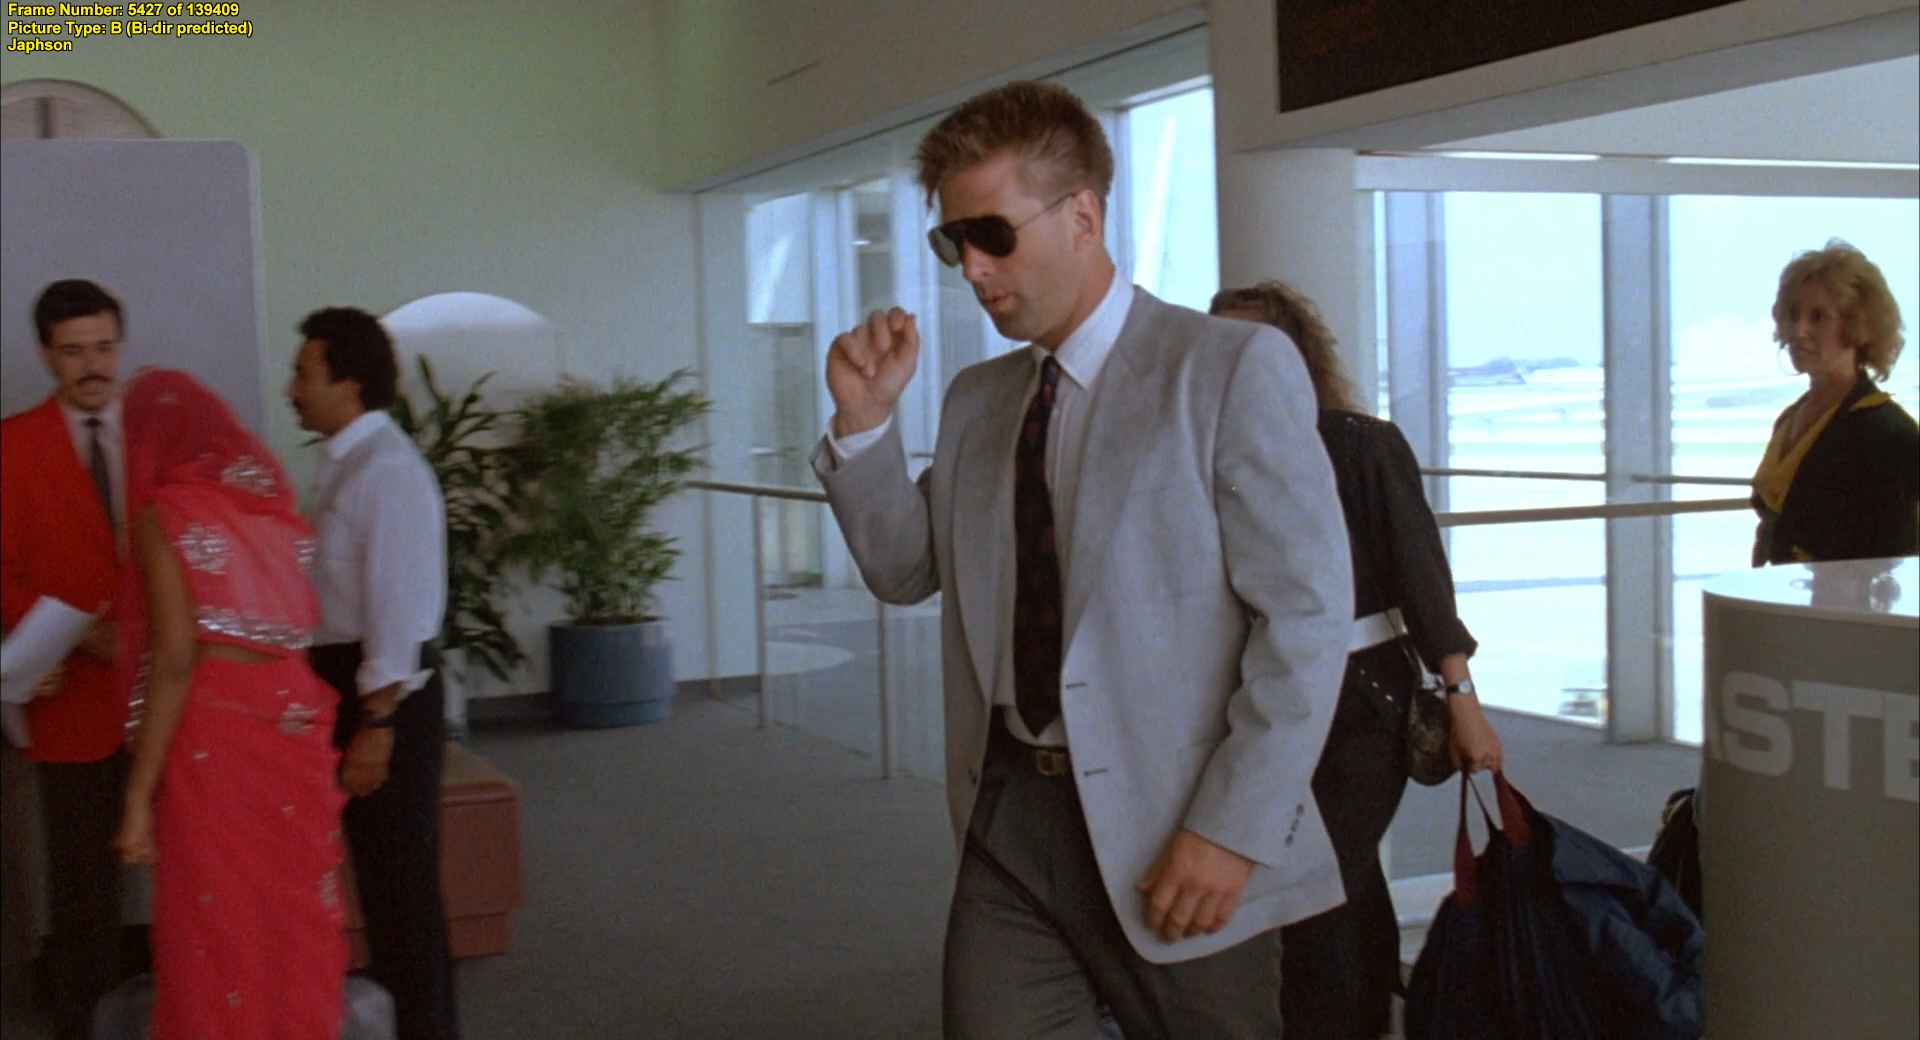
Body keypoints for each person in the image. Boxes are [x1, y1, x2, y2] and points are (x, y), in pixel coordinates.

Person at [811, 82, 1354, 1038]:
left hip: (1178, 819)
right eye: (952, 243)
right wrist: (864, 425)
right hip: (1011, 818)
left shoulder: (1226, 368)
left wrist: (1233, 828)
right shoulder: (977, 401)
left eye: (991, 235)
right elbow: (904, 570)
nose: (973, 268)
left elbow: (1305, 620)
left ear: (1083, 217)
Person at [1211, 280, 1505, 1039]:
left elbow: (1421, 577)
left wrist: (1463, 699)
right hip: (1266, 699)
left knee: (1319, 884)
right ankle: (1368, 1017)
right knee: (1344, 874)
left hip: (1362, 701)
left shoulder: (1359, 444)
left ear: (1294, 356)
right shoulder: (1212, 455)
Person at [109, 368, 347, 1038]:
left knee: (215, 916)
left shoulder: (166, 514)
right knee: (287, 915)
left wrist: (137, 797)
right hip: (291, 726)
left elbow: (175, 659)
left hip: (217, 734)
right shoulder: (277, 519)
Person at [288, 306, 455, 1040]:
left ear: (348, 384)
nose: (292, 389)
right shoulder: (345, 463)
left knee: (400, 892)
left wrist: (377, 724)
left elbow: (398, 612)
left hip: (382, 692)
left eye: (304, 373)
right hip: (346, 681)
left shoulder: (387, 470)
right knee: (381, 885)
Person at [0, 279, 146, 1039]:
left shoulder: (158, 438)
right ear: (45, 355)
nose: (92, 365)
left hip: (167, 695)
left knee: (193, 873)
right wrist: (82, 634)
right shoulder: (11, 446)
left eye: (104, 347)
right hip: (72, 700)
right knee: (83, 886)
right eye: (73, 351)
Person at [1751, 240, 1918, 566]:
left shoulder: (1890, 435)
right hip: (1776, 593)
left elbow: (1897, 562)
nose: (1799, 331)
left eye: (1819, 317)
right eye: (1793, 315)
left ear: (1859, 326)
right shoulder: (1790, 418)